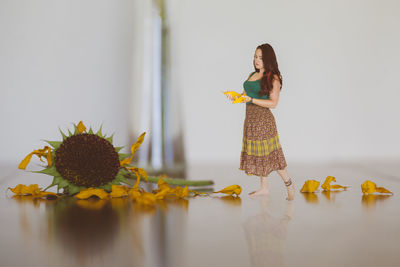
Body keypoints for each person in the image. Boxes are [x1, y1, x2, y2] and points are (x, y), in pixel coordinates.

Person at [226, 43, 295, 201]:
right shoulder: (252, 74)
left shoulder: (273, 78)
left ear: (268, 59)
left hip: (263, 121)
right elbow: (245, 95)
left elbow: (273, 103)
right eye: (255, 57)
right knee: (260, 154)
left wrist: (250, 99)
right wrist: (235, 96)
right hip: (250, 120)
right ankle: (264, 188)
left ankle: (290, 185)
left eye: (261, 58)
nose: (257, 60)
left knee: (272, 156)